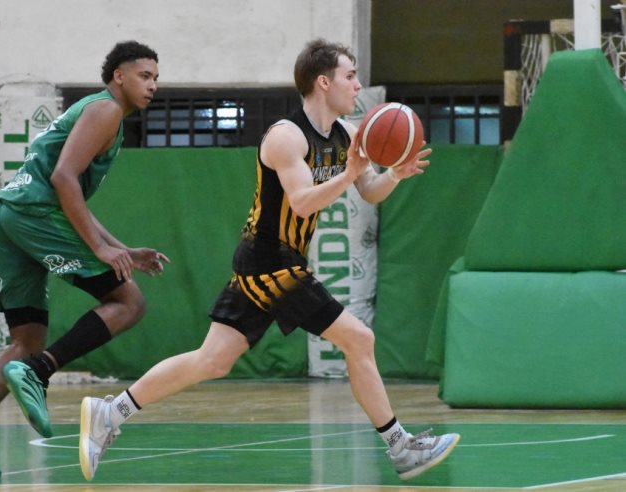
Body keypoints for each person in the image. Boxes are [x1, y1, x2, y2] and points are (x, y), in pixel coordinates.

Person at [78, 38, 459, 482]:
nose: (357, 85)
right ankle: (400, 447)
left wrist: (393, 173)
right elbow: (302, 202)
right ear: (324, 82)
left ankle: (111, 412)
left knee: (212, 360)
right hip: (270, 261)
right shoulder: (286, 136)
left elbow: (370, 191)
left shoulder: (348, 134)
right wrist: (349, 173)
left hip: (277, 261)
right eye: (350, 75)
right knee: (359, 340)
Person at [0, 40, 170, 480]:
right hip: (33, 214)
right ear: (118, 76)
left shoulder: (101, 114)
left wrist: (122, 248)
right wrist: (100, 249)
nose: (152, 85)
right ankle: (40, 371)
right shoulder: (105, 110)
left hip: (10, 214)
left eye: (156, 77)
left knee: (26, 339)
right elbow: (63, 179)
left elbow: (69, 194)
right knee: (129, 303)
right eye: (144, 75)